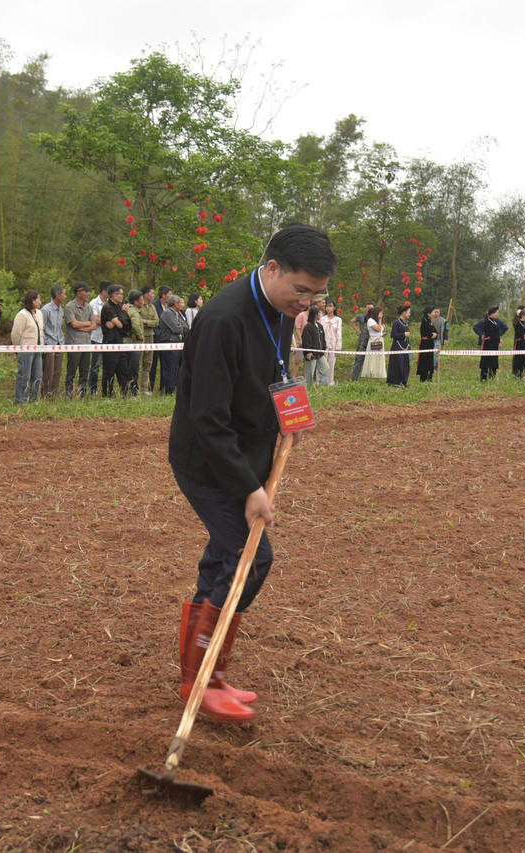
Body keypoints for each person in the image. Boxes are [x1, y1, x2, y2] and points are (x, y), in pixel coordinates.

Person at [171, 223, 335, 723]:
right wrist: (247, 488)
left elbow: (274, 369)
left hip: (250, 450)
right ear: (271, 270)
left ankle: (203, 676)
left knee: (227, 554)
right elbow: (207, 419)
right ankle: (201, 678)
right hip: (210, 460)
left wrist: (292, 411)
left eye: (317, 295)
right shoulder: (223, 318)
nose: (306, 304)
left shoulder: (282, 310)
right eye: (301, 291)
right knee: (251, 557)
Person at [63, 283, 96, 397]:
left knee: (84, 372)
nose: (88, 294)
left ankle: (82, 395)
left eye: (89, 291)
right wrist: (87, 324)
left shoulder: (89, 307)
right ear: (78, 292)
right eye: (86, 291)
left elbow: (94, 325)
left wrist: (83, 326)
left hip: (87, 344)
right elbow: (74, 324)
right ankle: (69, 395)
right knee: (71, 372)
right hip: (74, 344)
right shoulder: (69, 307)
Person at [11, 290, 44, 404]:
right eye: (38, 299)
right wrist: (17, 348)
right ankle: (21, 400)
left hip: (38, 349)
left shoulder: (39, 313)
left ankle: (34, 399)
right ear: (32, 300)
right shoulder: (22, 314)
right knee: (24, 375)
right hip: (25, 349)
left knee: (37, 376)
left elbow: (41, 331)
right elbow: (15, 334)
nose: (40, 301)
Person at [157, 294, 189, 394]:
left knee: (177, 368)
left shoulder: (178, 313)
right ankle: (168, 390)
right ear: (175, 304)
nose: (182, 304)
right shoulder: (167, 313)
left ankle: (175, 388)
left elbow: (186, 327)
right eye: (180, 302)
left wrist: (181, 328)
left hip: (178, 343)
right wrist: (181, 328)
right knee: (170, 367)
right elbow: (176, 329)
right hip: (169, 343)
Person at [40, 284, 66, 399]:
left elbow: (59, 328)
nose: (65, 296)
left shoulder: (61, 310)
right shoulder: (45, 310)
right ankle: (45, 396)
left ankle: (53, 397)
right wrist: (45, 343)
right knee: (48, 373)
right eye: (64, 294)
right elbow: (41, 328)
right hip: (49, 345)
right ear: (57, 295)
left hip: (59, 344)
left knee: (57, 372)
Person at [473, 306, 509, 381]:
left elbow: (498, 332)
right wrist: (482, 335)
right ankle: (484, 378)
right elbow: (490, 333)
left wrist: (499, 339)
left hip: (494, 345)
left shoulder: (495, 321)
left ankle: (492, 377)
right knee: (486, 361)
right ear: (492, 313)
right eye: (496, 313)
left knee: (493, 361)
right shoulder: (486, 321)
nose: (497, 314)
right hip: (488, 345)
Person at [121, 288, 146, 395]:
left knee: (127, 368)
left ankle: (126, 390)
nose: (143, 302)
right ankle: (134, 392)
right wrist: (141, 336)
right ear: (136, 301)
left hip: (126, 343)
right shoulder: (134, 312)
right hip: (134, 344)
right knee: (134, 368)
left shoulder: (128, 310)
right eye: (141, 300)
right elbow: (135, 325)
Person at [301, 304, 331, 388]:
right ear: (315, 315)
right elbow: (306, 340)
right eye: (319, 313)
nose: (321, 315)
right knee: (310, 373)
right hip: (311, 355)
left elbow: (322, 339)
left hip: (320, 354)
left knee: (325, 369)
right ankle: (309, 389)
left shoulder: (320, 326)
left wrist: (323, 348)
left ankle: (323, 387)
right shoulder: (308, 327)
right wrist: (308, 352)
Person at [87, 282, 108, 395]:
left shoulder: (110, 302)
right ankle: (92, 391)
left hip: (108, 339)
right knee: (95, 366)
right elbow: (95, 320)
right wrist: (109, 321)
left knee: (107, 366)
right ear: (104, 291)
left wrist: (107, 320)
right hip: (96, 338)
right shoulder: (94, 303)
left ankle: (105, 391)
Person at [138, 285, 158, 394]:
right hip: (139, 337)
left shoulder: (152, 307)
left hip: (150, 337)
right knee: (138, 362)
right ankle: (135, 387)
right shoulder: (138, 306)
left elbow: (156, 322)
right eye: (152, 293)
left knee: (148, 363)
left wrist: (146, 322)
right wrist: (146, 322)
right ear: (146, 294)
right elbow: (137, 321)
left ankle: (144, 388)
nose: (153, 295)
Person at [349, 301, 376, 381]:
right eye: (368, 308)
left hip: (373, 340)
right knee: (359, 357)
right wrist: (357, 330)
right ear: (366, 309)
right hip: (362, 340)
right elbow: (352, 321)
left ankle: (370, 375)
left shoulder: (375, 318)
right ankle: (355, 375)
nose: (370, 309)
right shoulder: (361, 316)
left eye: (371, 308)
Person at [387, 304, 411, 388]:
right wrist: (403, 334)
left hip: (405, 348)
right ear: (404, 312)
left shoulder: (406, 323)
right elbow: (393, 334)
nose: (409, 314)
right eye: (408, 312)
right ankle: (395, 382)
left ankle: (403, 382)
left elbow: (407, 337)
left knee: (405, 365)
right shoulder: (396, 322)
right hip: (397, 347)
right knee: (397, 365)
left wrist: (408, 346)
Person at [319, 303, 343, 384]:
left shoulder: (338, 319)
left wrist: (338, 348)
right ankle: (319, 382)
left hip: (333, 345)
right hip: (323, 345)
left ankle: (330, 382)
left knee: (331, 365)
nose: (328, 308)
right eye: (327, 306)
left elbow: (339, 333)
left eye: (330, 306)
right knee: (321, 364)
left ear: (334, 308)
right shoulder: (322, 319)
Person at [362, 306, 386, 379]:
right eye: (380, 313)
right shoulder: (370, 320)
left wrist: (382, 334)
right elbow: (378, 329)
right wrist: (380, 319)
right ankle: (371, 374)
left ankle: (378, 374)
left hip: (379, 340)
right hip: (374, 341)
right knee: (373, 357)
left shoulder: (377, 321)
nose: (381, 315)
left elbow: (380, 331)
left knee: (379, 357)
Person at [417, 306, 440, 382]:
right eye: (433, 312)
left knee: (430, 361)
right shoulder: (424, 321)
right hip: (425, 344)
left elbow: (435, 332)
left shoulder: (430, 322)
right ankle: (423, 378)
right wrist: (432, 335)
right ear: (428, 314)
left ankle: (430, 377)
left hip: (430, 344)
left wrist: (434, 334)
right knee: (424, 361)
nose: (434, 314)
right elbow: (427, 333)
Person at [511, 306, 525, 378]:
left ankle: (524, 373)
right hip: (519, 345)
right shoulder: (518, 324)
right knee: (518, 360)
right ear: (523, 315)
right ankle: (517, 374)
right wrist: (523, 337)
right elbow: (518, 334)